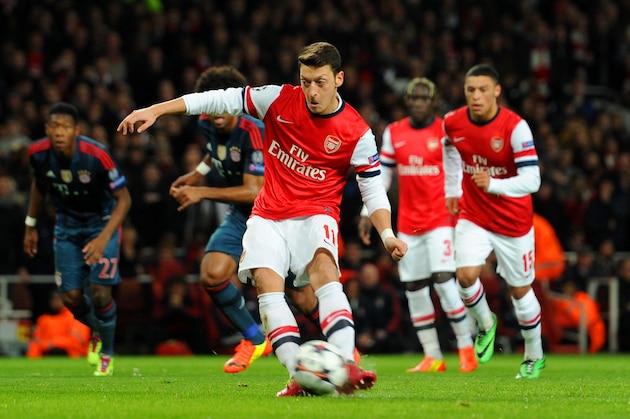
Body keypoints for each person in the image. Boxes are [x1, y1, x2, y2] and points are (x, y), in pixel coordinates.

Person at [118, 42, 407, 396]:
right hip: (268, 214)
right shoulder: (277, 99)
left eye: (320, 82)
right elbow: (217, 99)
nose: (312, 92)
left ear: (339, 79)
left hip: (317, 214)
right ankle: (297, 377)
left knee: (324, 272)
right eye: (305, 81)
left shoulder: (357, 132)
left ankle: (346, 363)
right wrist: (157, 110)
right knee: (268, 288)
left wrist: (387, 234)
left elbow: (373, 190)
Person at [168, 65, 320, 373]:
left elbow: (254, 190)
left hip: (277, 214)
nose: (217, 114)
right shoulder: (208, 123)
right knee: (211, 274)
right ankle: (254, 339)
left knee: (302, 297)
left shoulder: (255, 130)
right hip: (242, 216)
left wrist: (202, 192)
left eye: (224, 108)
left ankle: (348, 347)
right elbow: (216, 152)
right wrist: (196, 174)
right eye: (212, 109)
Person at [358, 78, 477, 373]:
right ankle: (433, 355)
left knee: (444, 282)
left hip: (440, 220)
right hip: (408, 224)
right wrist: (366, 212)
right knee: (414, 289)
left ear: (434, 102)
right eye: (414, 98)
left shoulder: (444, 131)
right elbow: (381, 176)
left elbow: (457, 174)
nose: (419, 103)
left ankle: (465, 347)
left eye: (425, 98)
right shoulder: (394, 132)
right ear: (407, 102)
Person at [443, 64, 544, 379]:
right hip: (474, 214)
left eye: (483, 89)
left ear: (496, 91)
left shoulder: (516, 128)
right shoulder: (453, 122)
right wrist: (452, 188)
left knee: (520, 291)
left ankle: (533, 357)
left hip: (513, 221)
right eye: (470, 90)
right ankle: (486, 324)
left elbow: (533, 180)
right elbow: (449, 149)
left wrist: (495, 185)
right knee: (465, 276)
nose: (476, 96)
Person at [24, 102, 131, 376]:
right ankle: (97, 329)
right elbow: (39, 185)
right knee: (70, 296)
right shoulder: (37, 154)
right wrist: (30, 224)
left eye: (66, 127)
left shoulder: (96, 155)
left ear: (76, 130)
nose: (60, 132)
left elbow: (124, 199)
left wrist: (103, 238)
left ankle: (106, 351)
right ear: (47, 129)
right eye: (55, 126)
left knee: (99, 291)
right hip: (67, 228)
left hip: (102, 224)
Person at [27, 290, 91, 358]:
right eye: (53, 299)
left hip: (71, 354)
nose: (55, 302)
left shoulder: (74, 316)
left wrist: (51, 343)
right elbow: (36, 340)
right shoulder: (43, 319)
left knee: (57, 350)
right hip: (48, 352)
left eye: (58, 299)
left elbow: (76, 341)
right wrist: (33, 357)